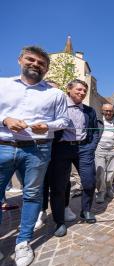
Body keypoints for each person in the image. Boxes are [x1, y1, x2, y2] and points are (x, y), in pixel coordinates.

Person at [0, 46, 69, 266]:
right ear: (20, 60)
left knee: (32, 195)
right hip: (3, 145)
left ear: (46, 69)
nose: (35, 65)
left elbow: (64, 121)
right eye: (31, 60)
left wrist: (47, 126)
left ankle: (23, 242)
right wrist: (5, 120)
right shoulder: (2, 84)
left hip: (37, 149)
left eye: (41, 63)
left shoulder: (55, 94)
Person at [43, 79, 100, 237]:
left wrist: (91, 146)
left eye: (84, 91)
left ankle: (86, 211)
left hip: (83, 149)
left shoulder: (90, 111)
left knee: (89, 182)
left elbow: (95, 130)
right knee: (59, 186)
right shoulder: (58, 108)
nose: (82, 93)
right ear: (68, 89)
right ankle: (59, 222)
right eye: (79, 89)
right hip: (61, 148)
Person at [95, 104, 114, 203]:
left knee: (110, 172)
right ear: (102, 111)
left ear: (113, 111)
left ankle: (109, 189)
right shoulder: (98, 120)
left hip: (113, 150)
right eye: (106, 111)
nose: (108, 113)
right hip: (100, 150)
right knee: (100, 173)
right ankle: (101, 192)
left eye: (110, 111)